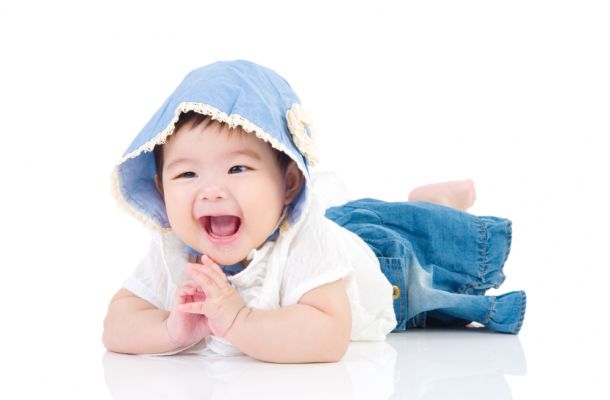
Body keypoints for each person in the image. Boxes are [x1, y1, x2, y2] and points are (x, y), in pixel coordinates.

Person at [103, 60, 526, 363]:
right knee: (347, 217)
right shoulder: (175, 251)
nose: (211, 191)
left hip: (384, 264)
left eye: (237, 169)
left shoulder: (304, 242)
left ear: (288, 183)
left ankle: (434, 204)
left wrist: (237, 319)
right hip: (336, 226)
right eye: (187, 174)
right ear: (161, 190)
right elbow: (116, 323)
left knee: (432, 270)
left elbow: (329, 334)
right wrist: (170, 330)